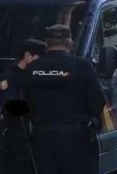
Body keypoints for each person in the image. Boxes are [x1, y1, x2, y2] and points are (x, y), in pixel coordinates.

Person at [24, 24, 106, 174]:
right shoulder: (82, 66)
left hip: (42, 137)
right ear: (70, 42)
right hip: (75, 137)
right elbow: (97, 101)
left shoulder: (32, 68)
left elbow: (24, 101)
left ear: (46, 44)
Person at [0, 39, 47, 173]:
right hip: (17, 133)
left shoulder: (34, 75)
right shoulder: (8, 77)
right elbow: (11, 105)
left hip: (35, 134)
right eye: (38, 58)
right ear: (27, 56)